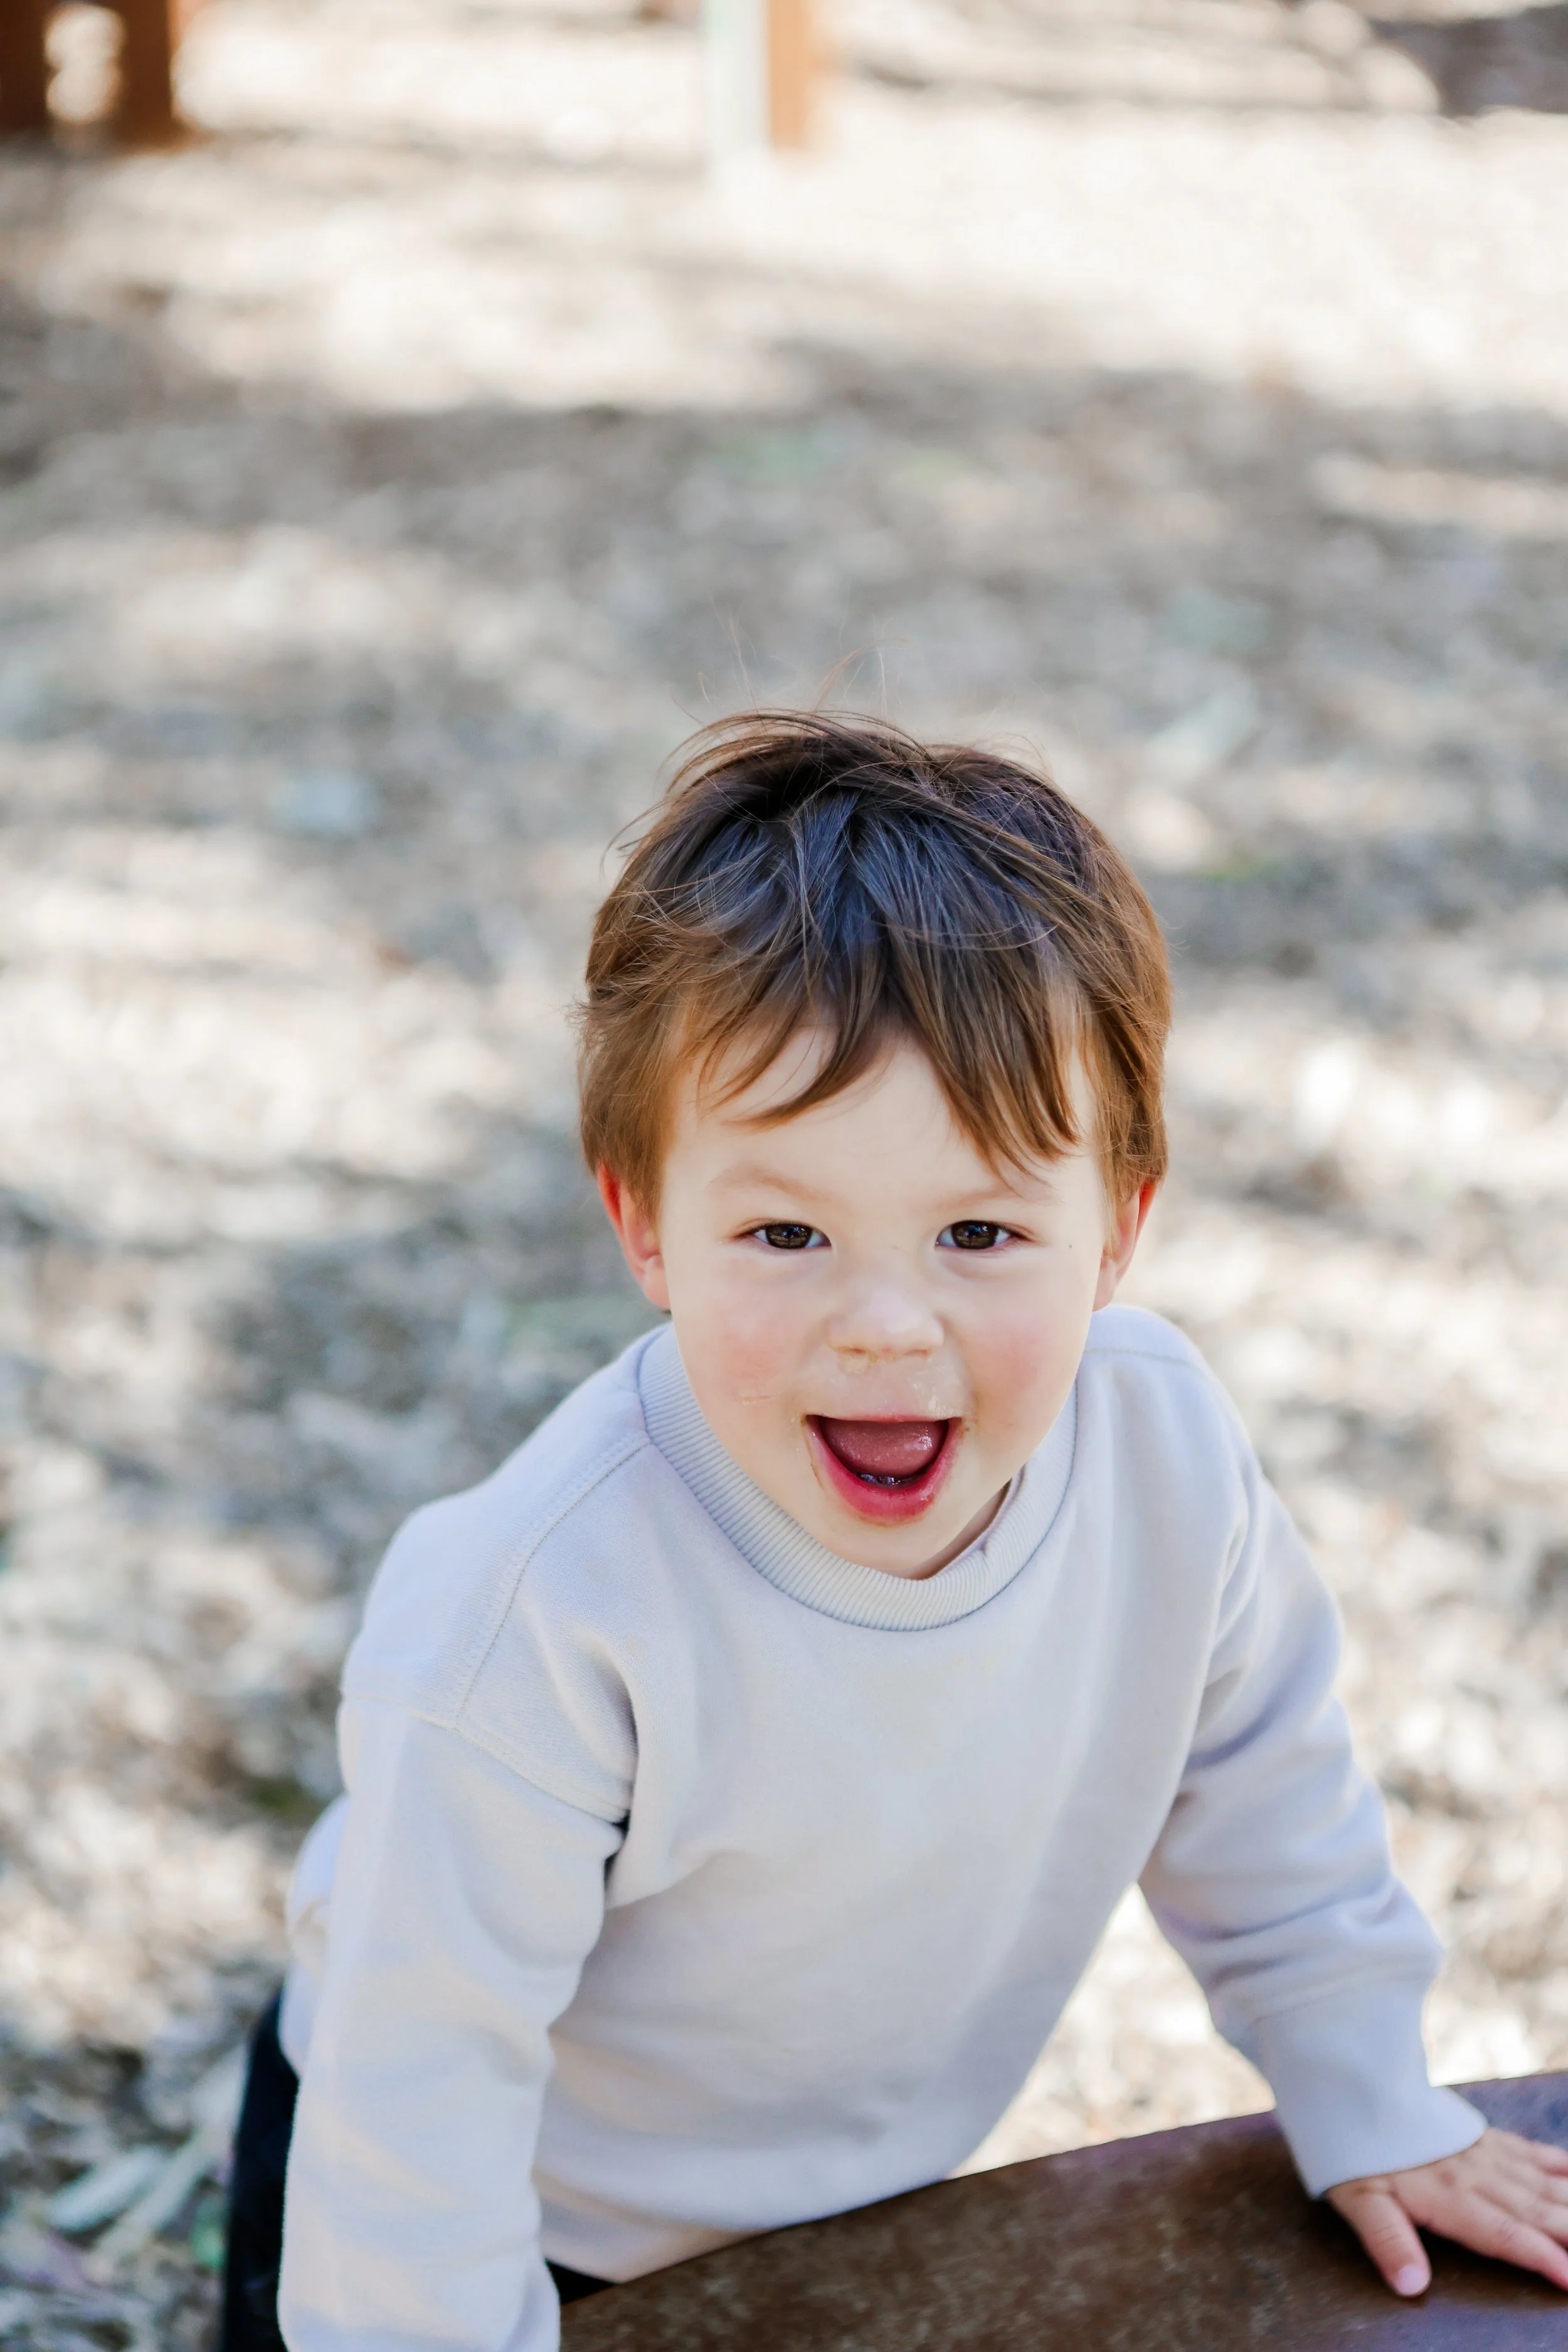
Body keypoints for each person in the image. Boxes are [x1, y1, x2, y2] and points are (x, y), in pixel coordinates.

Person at [231, 711, 1568, 2352]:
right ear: (641, 1219)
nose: (882, 1324)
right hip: (481, 2198)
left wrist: (1368, 2091)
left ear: (1116, 1226)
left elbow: (1261, 1787)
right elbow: (418, 2080)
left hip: (856, 2197)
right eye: (784, 1227)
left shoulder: (1158, 1456)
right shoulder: (540, 1607)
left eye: (979, 1229)